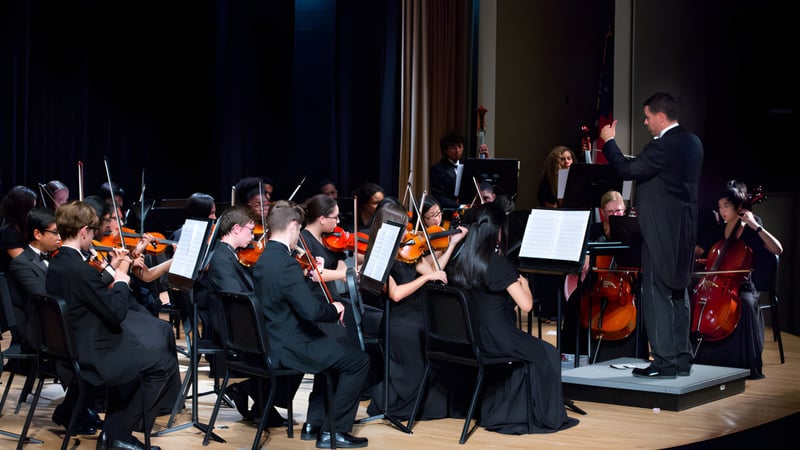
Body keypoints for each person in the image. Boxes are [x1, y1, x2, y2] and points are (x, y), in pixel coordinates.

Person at [45, 201, 178, 450]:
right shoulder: (79, 270)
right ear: (83, 230)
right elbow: (116, 311)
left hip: (71, 348)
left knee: (140, 350)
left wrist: (112, 268)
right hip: (92, 354)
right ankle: (118, 434)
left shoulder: (60, 262)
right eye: (93, 232)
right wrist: (122, 277)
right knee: (163, 364)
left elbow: (88, 287)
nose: (95, 237)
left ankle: (113, 432)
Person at [446, 202, 579, 434]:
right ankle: (547, 417)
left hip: (473, 337)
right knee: (547, 352)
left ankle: (516, 408)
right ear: (497, 231)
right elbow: (526, 306)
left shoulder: (461, 261)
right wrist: (524, 283)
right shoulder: (497, 264)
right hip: (499, 338)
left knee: (535, 352)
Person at [599, 91, 704, 378]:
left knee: (655, 294)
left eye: (647, 117)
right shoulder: (693, 142)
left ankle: (664, 363)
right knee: (679, 292)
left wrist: (608, 141)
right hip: (684, 232)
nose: (645, 123)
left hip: (660, 233)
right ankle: (682, 357)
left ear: (660, 116)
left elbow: (626, 169)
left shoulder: (662, 146)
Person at [253, 200, 369, 449]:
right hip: (292, 346)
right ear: (294, 226)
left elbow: (284, 295)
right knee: (359, 361)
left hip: (274, 339)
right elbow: (310, 310)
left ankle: (316, 422)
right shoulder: (286, 264)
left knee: (336, 352)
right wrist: (334, 309)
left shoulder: (264, 260)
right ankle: (333, 432)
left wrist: (306, 275)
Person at [193, 205, 301, 424]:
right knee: (295, 349)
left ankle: (259, 401)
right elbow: (237, 298)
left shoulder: (230, 255)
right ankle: (253, 395)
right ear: (235, 229)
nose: (253, 237)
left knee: (294, 347)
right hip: (236, 329)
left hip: (243, 323)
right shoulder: (220, 260)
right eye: (250, 231)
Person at [365, 197, 461, 420]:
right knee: (419, 334)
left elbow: (434, 270)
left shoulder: (407, 250)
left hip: (416, 313)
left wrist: (449, 247)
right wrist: (425, 280)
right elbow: (396, 294)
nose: (407, 233)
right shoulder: (378, 255)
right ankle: (402, 403)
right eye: (401, 228)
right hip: (399, 320)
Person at [692, 180, 782, 379]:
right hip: (718, 285)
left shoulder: (751, 225)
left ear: (738, 206)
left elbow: (777, 249)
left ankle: (744, 363)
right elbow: (699, 249)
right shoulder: (719, 229)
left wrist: (756, 226)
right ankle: (700, 359)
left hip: (742, 287)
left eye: (726, 206)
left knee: (747, 304)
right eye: (720, 207)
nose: (722, 211)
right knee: (693, 297)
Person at [560, 190, 649, 362]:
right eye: (610, 212)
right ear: (602, 212)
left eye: (618, 211)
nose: (615, 215)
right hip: (597, 281)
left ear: (624, 210)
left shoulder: (633, 228)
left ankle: (638, 355)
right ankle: (572, 353)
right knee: (574, 302)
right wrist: (585, 253)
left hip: (627, 282)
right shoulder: (595, 230)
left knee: (644, 306)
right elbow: (584, 254)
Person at [429, 131, 489, 213]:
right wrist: (459, 206)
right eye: (453, 148)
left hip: (470, 210)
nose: (457, 150)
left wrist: (483, 161)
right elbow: (439, 197)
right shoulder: (437, 169)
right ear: (445, 150)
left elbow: (481, 183)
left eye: (459, 146)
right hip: (448, 212)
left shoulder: (468, 166)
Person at [0, 185, 38, 275]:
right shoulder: (8, 232)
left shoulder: (23, 228)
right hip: (11, 280)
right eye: (31, 209)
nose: (33, 213)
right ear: (22, 210)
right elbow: (23, 261)